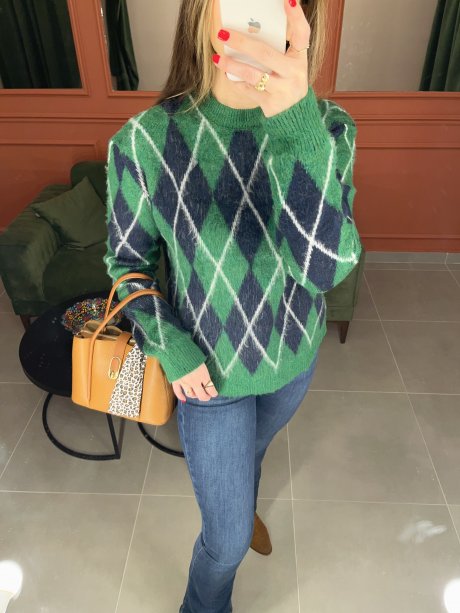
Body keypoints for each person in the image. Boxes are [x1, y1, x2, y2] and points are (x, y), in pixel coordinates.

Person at [103, 0, 362, 610]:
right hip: (209, 380)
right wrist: (171, 345)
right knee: (224, 546)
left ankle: (241, 504)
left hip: (292, 361)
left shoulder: (327, 128)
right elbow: (126, 265)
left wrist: (295, 125)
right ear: (204, 11)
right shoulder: (144, 141)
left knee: (253, 454)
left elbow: (324, 271)